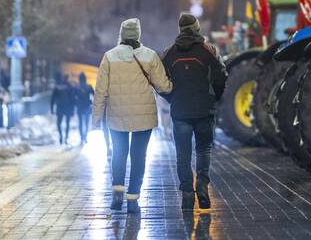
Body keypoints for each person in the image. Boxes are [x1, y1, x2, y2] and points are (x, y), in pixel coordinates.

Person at [92, 17, 172, 214]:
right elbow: (163, 86)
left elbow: (100, 90)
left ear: (121, 34)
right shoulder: (150, 56)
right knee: (139, 156)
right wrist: (171, 87)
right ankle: (133, 199)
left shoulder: (109, 57)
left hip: (116, 114)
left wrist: (95, 118)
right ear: (138, 34)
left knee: (118, 154)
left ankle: (117, 193)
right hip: (143, 115)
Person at [162, 13, 227, 210]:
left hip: (180, 110)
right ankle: (202, 185)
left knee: (183, 154)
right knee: (203, 149)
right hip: (204, 110)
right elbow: (221, 76)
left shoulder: (169, 53)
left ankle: (187, 194)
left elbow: (160, 82)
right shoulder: (209, 51)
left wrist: (172, 98)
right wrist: (214, 97)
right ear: (197, 28)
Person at [50, 74, 76, 145]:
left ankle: (61, 136)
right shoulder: (70, 87)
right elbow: (73, 99)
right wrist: (72, 110)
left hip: (60, 108)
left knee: (59, 123)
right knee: (67, 123)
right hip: (67, 108)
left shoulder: (57, 87)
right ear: (67, 79)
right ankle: (66, 138)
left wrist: (52, 109)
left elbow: (52, 98)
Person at [74, 73, 94, 145]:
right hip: (87, 106)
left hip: (79, 107)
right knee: (86, 122)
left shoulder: (77, 87)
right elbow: (94, 95)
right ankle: (85, 136)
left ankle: (81, 137)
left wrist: (75, 104)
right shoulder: (89, 86)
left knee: (80, 122)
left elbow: (73, 97)